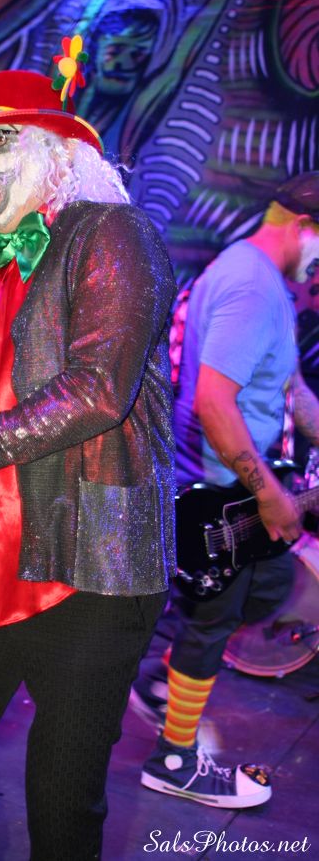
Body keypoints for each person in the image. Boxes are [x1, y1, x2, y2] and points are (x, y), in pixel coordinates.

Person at [0, 59, 177, 860]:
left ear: (54, 149)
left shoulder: (110, 233)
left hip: (91, 563)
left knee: (60, 800)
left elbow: (98, 390)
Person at [136, 171, 319, 808]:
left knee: (267, 587)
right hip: (221, 492)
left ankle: (160, 673)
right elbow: (215, 402)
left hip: (234, 485)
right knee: (213, 624)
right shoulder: (251, 285)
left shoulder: (261, 278)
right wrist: (268, 493)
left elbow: (289, 388)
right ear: (304, 228)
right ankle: (174, 759)